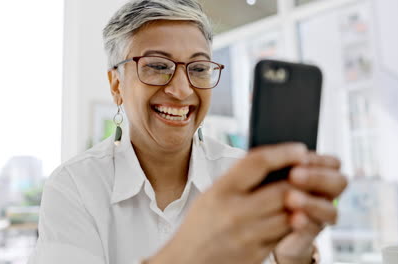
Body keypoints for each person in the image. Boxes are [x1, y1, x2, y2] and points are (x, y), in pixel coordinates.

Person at [28, 0, 347, 263]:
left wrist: (294, 258)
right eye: (156, 65)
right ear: (116, 85)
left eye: (198, 68)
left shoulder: (242, 174)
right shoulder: (75, 187)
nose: (182, 90)